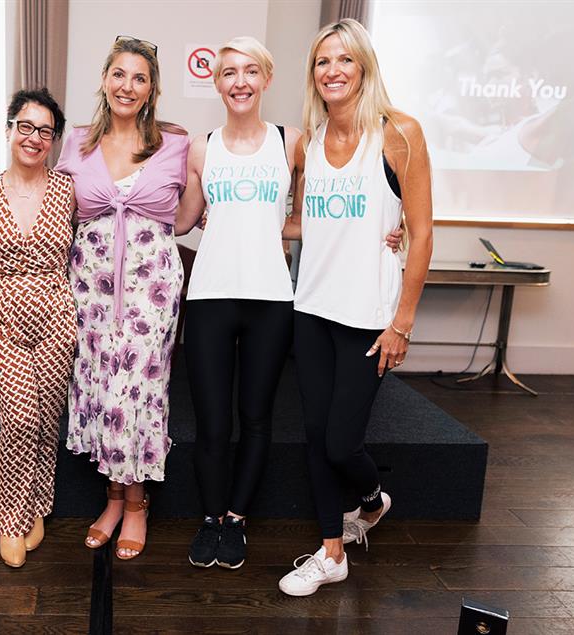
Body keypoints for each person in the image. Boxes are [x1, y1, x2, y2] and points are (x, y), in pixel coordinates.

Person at [174, 37, 403, 571]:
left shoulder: (295, 141)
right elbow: (184, 220)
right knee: (211, 424)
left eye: (251, 71)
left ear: (267, 79)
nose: (239, 82)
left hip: (274, 301)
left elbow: (334, 204)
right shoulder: (202, 147)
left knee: (256, 419)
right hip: (209, 296)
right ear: (217, 81)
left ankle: (236, 520)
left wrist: (401, 229)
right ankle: (210, 520)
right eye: (229, 72)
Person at [278, 19, 433, 596]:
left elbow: (422, 233)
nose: (333, 71)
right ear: (313, 74)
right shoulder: (310, 141)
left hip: (370, 318)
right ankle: (331, 552)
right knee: (316, 437)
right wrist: (250, 223)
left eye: (344, 60)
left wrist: (403, 322)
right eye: (322, 62)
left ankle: (371, 499)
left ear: (364, 66)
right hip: (312, 308)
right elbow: (307, 223)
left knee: (342, 442)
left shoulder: (399, 134)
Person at [55, 37, 189, 560]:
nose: (127, 85)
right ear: (104, 79)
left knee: (137, 388)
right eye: (119, 74)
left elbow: (190, 211)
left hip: (151, 285)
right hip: (89, 286)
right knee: (101, 387)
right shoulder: (78, 143)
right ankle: (113, 498)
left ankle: (136, 505)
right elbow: (60, 213)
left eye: (139, 77)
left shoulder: (174, 144)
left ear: (152, 88)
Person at [0, 88, 75, 568]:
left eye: (44, 131)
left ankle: (37, 506)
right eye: (25, 127)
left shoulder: (67, 190)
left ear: (53, 140)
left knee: (47, 419)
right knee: (20, 420)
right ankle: (10, 519)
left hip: (56, 318)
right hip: (5, 323)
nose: (33, 138)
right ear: (9, 129)